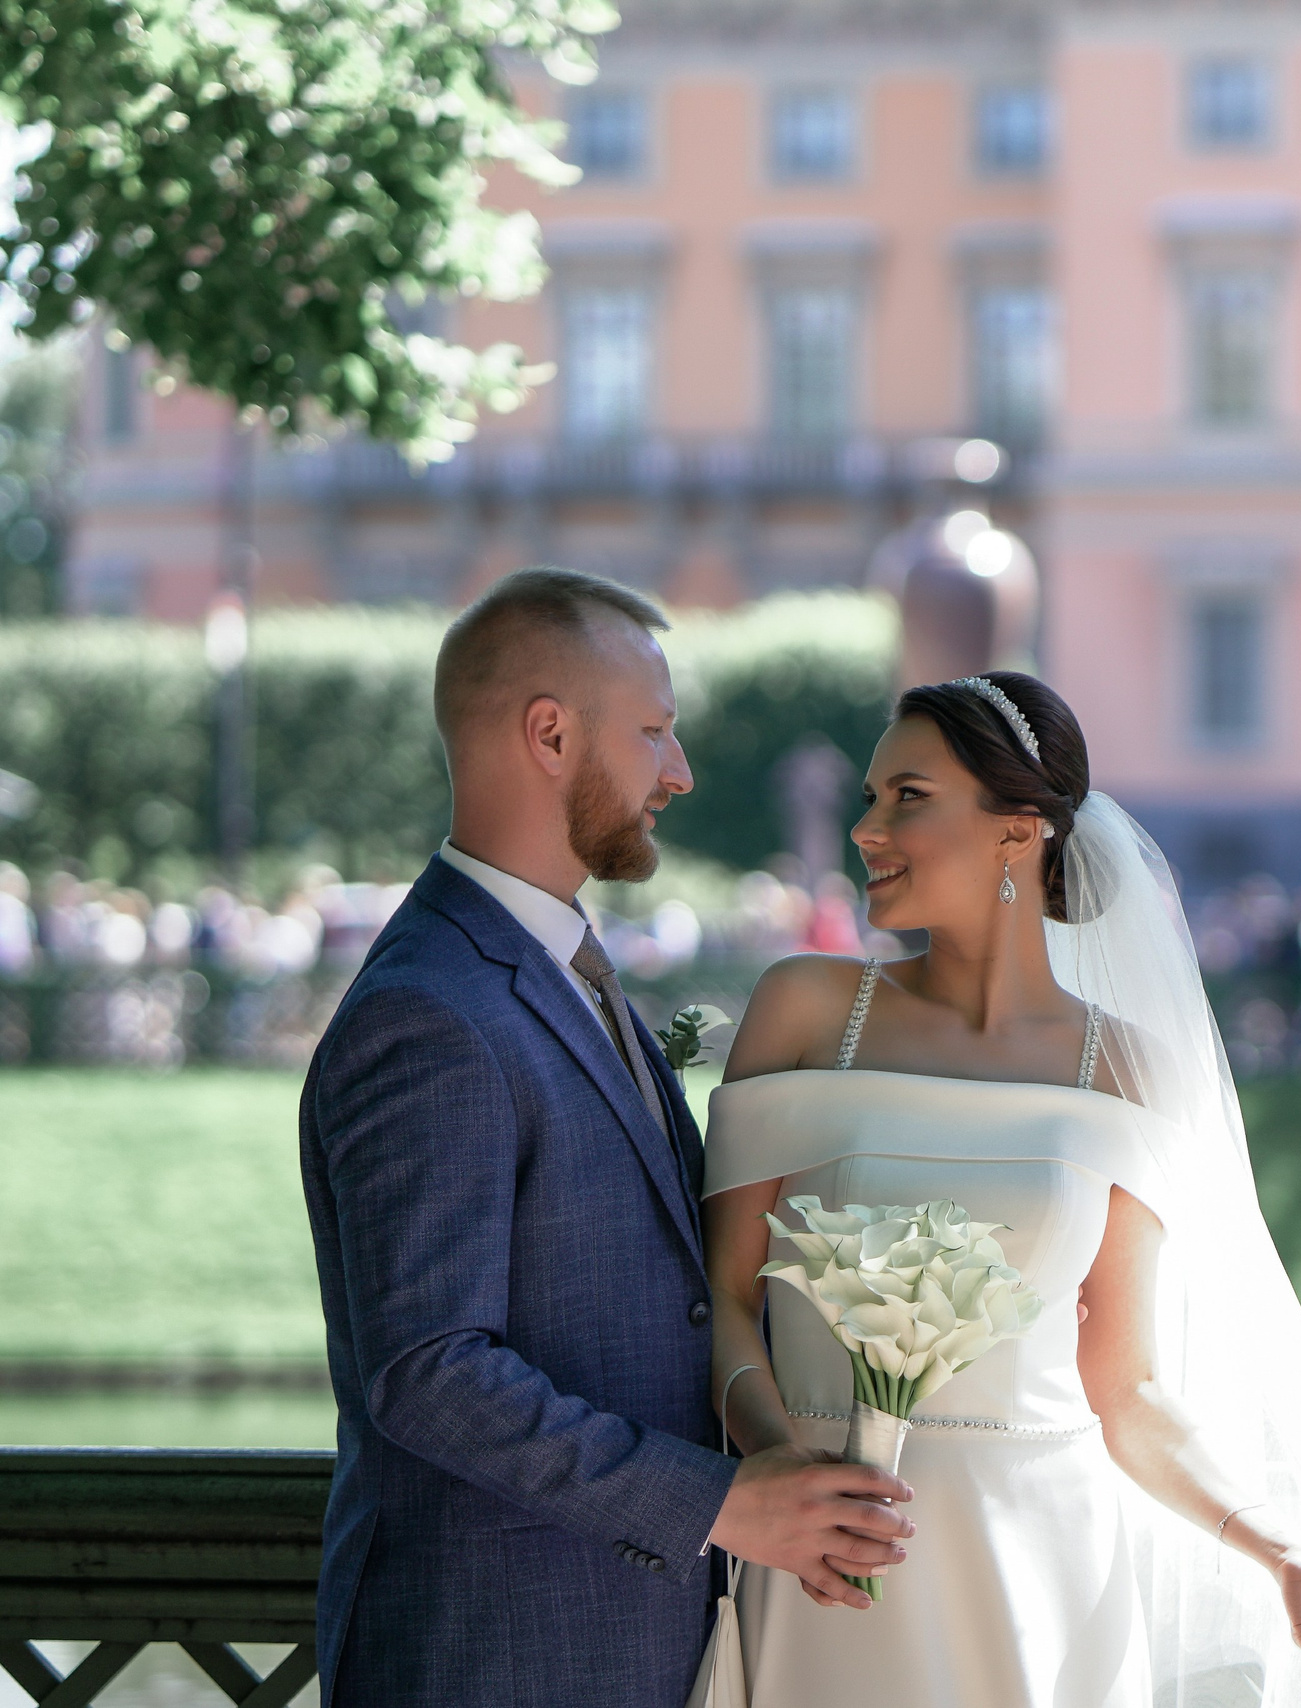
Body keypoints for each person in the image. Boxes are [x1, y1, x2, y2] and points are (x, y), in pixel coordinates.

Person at [704, 670, 1301, 1707]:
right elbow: (724, 1298)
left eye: (908, 797)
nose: (865, 829)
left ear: (1016, 833)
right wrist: (780, 1472)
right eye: (868, 796)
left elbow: (1131, 1390)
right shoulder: (805, 1008)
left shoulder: (1126, 1069)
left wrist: (1280, 1546)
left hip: (1044, 1573)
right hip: (825, 1558)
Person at [299, 567, 914, 1707]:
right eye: (653, 732)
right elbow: (429, 1372)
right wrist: (724, 1505)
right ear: (548, 733)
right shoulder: (428, 1011)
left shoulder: (555, 967)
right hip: (493, 1663)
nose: (677, 772)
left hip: (628, 1647)